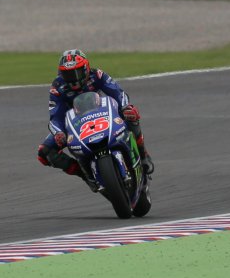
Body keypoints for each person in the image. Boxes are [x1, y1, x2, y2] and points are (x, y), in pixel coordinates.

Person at [37, 49, 154, 191]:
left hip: (103, 113)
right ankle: (84, 174)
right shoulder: (57, 87)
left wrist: (125, 107)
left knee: (131, 114)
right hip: (75, 124)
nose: (72, 78)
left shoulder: (97, 75)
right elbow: (55, 117)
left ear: (86, 68)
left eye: (76, 73)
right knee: (44, 152)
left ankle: (143, 155)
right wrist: (59, 133)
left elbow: (118, 92)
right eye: (67, 74)